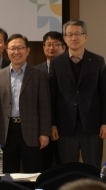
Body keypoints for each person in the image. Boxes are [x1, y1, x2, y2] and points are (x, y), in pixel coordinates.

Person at [50, 20, 106, 168]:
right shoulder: (56, 63)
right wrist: (52, 124)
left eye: (78, 34)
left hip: (92, 125)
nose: (74, 38)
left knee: (93, 168)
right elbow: (52, 96)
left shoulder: (97, 61)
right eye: (69, 34)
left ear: (86, 37)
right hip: (65, 126)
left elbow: (104, 94)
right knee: (67, 170)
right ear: (64, 38)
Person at [0, 34, 51, 173]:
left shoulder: (39, 75)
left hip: (32, 132)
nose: (16, 52)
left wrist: (44, 133)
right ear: (7, 51)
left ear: (27, 50)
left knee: (33, 173)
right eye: (12, 48)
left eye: (20, 48)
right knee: (7, 174)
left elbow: (45, 107)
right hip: (6, 132)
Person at [36, 31, 65, 171]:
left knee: (64, 167)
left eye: (56, 45)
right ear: (43, 48)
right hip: (41, 129)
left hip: (64, 128)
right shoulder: (35, 71)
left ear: (63, 48)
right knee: (43, 167)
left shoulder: (69, 70)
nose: (51, 48)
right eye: (48, 45)